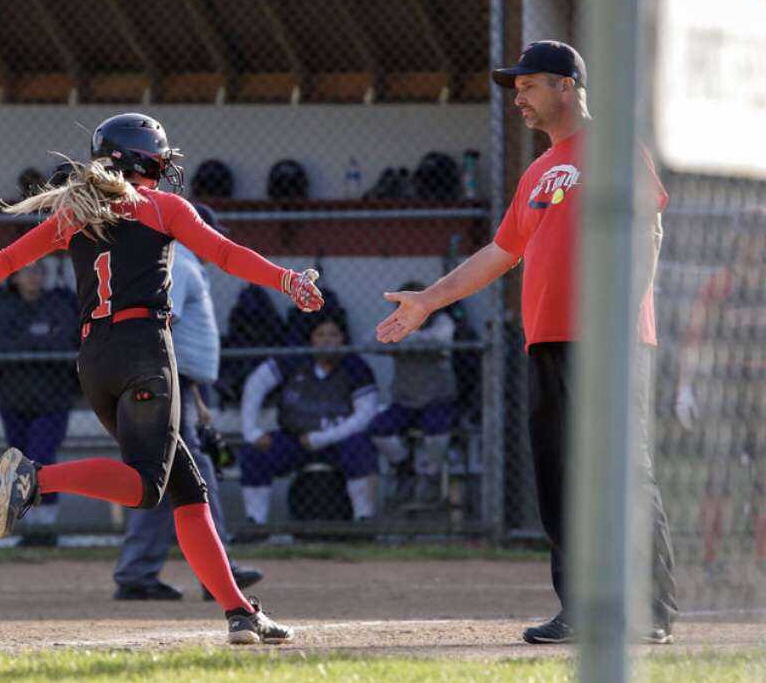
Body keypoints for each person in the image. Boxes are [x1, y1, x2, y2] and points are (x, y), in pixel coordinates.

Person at [0, 112, 323, 644]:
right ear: (143, 159)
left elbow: (5, 261)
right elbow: (224, 253)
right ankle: (38, 478)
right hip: (144, 350)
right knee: (148, 486)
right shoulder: (162, 207)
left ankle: (240, 613)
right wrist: (287, 279)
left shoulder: (73, 214)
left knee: (187, 489)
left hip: (94, 360)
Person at [377, 40, 677, 645]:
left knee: (623, 470)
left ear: (567, 86)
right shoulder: (538, 171)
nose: (519, 97)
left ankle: (649, 612)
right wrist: (428, 301)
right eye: (515, 88)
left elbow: (649, 227)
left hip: (611, 339)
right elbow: (500, 252)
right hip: (547, 339)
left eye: (530, 85)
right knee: (560, 476)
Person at [112, 202, 264, 601]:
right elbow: (161, 328)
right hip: (167, 381)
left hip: (179, 382)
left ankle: (139, 572)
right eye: (210, 233)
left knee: (163, 479)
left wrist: (193, 393)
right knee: (197, 475)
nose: (217, 242)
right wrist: (173, 388)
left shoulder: (183, 265)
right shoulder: (178, 263)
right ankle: (217, 574)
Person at [674, 206, 766, 582]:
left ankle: (764, 559)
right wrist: (685, 387)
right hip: (727, 388)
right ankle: (711, 560)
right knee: (719, 476)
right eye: (749, 235)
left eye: (763, 235)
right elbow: (695, 335)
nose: (755, 243)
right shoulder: (720, 284)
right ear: (736, 239)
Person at [237, 310, 381, 530]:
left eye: (333, 334)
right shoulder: (295, 359)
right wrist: (250, 431)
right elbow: (256, 383)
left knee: (361, 448)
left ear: (343, 338)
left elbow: (365, 415)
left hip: (338, 441)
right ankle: (256, 523)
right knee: (254, 453)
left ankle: (364, 521)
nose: (327, 340)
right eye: (320, 335)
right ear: (311, 339)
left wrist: (321, 438)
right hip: (295, 439)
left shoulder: (355, 366)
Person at [0, 260, 79, 547]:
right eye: (26, 271)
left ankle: (46, 527)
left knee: (40, 459)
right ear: (14, 278)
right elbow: (2, 346)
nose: (33, 276)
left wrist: (27, 343)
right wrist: (40, 340)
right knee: (18, 464)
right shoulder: (5, 309)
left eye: (39, 270)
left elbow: (65, 341)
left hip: (52, 399)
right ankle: (30, 529)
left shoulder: (58, 305)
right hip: (15, 400)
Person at [369, 280, 458, 506]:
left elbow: (440, 340)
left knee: (438, 431)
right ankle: (404, 467)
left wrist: (404, 338)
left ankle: (430, 476)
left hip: (437, 400)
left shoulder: (441, 321)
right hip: (405, 402)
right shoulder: (396, 323)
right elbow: (372, 342)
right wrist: (406, 337)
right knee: (379, 429)